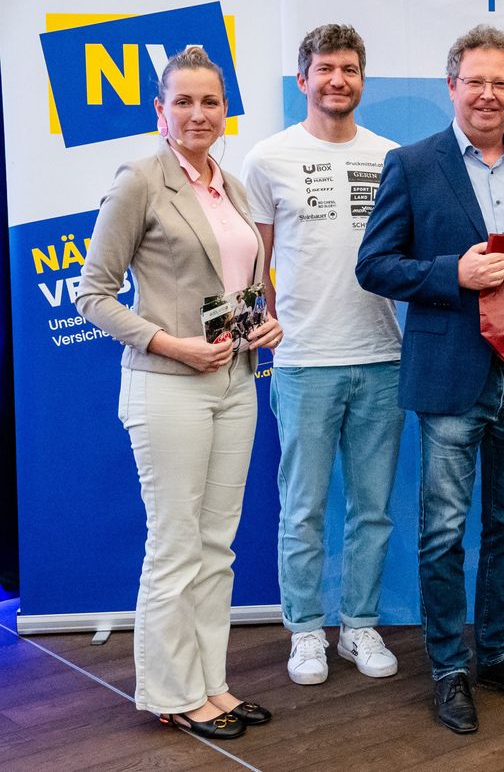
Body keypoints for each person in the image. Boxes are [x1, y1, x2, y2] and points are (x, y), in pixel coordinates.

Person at [355, 24, 504, 735]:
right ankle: (449, 669)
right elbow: (375, 265)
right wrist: (453, 273)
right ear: (452, 86)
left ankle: (499, 654)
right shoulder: (411, 165)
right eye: (474, 80)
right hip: (451, 378)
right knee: (443, 533)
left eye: (501, 82)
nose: (487, 93)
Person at [77, 47, 283, 739]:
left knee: (217, 545)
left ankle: (211, 685)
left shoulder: (234, 184)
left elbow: (235, 288)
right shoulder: (139, 180)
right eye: (185, 102)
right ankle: (170, 692)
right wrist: (170, 343)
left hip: (234, 382)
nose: (199, 114)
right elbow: (92, 295)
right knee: (175, 546)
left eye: (211, 102)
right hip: (168, 386)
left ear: (225, 111)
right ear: (160, 111)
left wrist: (262, 324)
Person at [241, 25, 403, 686]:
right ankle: (306, 629)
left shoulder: (395, 157)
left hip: (381, 360)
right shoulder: (267, 158)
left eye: (349, 68)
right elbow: (251, 262)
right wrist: (260, 323)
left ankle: (358, 625)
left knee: (372, 509)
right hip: (304, 362)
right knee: (302, 507)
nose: (337, 79)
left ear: (362, 79)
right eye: (325, 68)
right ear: (303, 77)